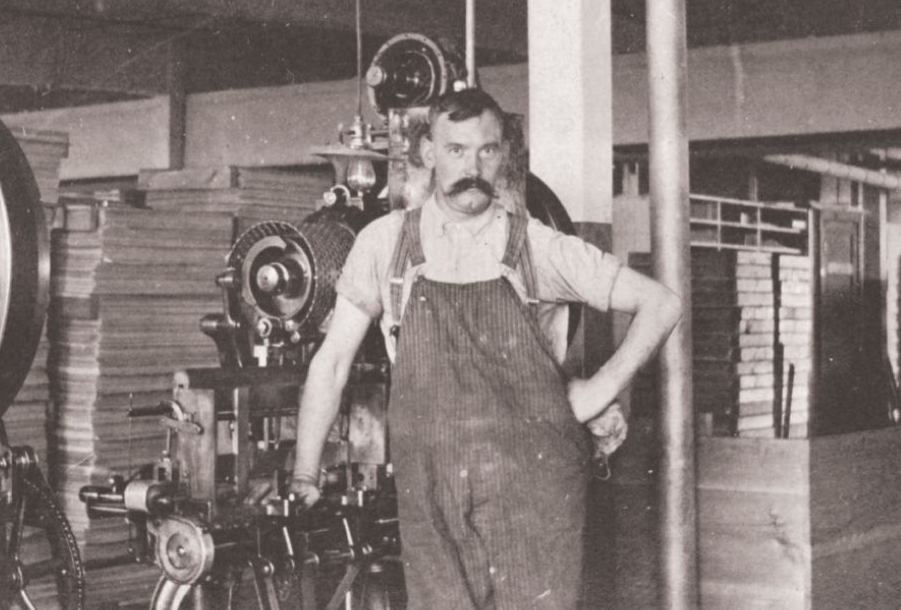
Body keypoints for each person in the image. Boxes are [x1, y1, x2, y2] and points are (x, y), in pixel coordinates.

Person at [289, 87, 681, 609]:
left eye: (487, 151)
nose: (472, 166)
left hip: (532, 491)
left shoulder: (536, 246)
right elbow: (332, 362)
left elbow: (661, 303)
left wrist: (598, 388)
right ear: (429, 153)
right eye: (456, 150)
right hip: (432, 488)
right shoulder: (384, 244)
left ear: (503, 156)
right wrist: (304, 472)